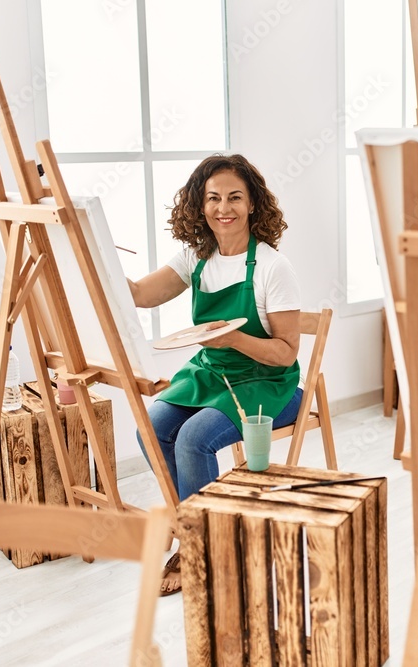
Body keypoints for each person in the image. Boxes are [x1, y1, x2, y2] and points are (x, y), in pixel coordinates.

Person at [129, 154, 303, 596]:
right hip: (213, 371)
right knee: (151, 428)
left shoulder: (270, 267)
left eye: (234, 197)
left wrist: (234, 339)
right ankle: (195, 530)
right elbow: (141, 295)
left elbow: (285, 353)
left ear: (252, 205)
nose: (223, 207)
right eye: (213, 198)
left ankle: (207, 547)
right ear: (199, 204)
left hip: (267, 380)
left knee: (193, 438)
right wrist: (89, 256)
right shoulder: (196, 256)